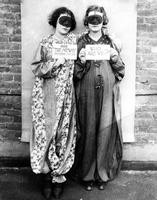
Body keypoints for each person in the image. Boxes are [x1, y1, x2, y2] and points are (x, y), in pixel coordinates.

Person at [73, 5, 125, 191]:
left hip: (107, 92)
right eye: (92, 18)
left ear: (104, 20)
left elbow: (121, 71)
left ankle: (102, 173)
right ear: (87, 21)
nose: (95, 22)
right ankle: (87, 175)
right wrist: (80, 60)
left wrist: (114, 58)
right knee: (87, 131)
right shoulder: (80, 42)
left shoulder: (111, 42)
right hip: (86, 92)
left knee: (105, 131)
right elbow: (74, 75)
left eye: (99, 18)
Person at [30, 7, 77, 199]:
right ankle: (46, 176)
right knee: (46, 134)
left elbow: (94, 39)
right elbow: (36, 68)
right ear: (55, 22)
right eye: (62, 22)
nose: (65, 26)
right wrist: (54, 63)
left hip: (66, 96)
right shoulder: (46, 43)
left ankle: (59, 175)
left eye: (69, 23)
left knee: (63, 134)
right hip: (46, 95)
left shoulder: (74, 42)